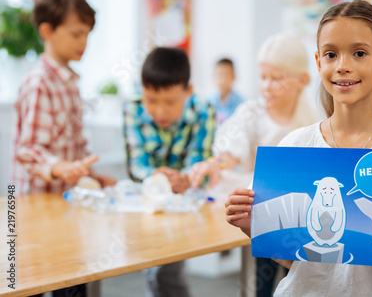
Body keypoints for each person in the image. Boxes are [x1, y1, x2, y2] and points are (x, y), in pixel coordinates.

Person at [225, 0, 372, 296]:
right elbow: (295, 261)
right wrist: (252, 226)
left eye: (359, 53)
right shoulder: (296, 147)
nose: (343, 66)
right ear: (319, 63)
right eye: (331, 54)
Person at [190, 34, 319, 296]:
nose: (267, 86)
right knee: (264, 274)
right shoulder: (252, 113)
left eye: (277, 79)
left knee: (299, 278)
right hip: (266, 213)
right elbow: (230, 152)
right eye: (263, 77)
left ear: (302, 80)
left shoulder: (315, 117)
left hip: (303, 216)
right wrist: (216, 164)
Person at [11, 0, 116, 297]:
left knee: (74, 281)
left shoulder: (69, 81)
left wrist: (89, 175)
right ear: (48, 31)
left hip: (68, 206)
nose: (83, 42)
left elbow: (68, 144)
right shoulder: (39, 83)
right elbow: (28, 151)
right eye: (76, 34)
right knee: (36, 282)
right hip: (39, 210)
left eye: (87, 34)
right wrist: (61, 168)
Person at [123, 47, 216, 297]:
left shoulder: (203, 111)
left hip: (187, 203)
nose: (159, 111)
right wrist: (157, 177)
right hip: (147, 202)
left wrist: (185, 178)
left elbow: (200, 160)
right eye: (151, 100)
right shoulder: (133, 108)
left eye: (170, 102)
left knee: (168, 273)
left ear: (188, 91)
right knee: (152, 269)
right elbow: (136, 164)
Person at [209, 58, 244, 125]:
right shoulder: (209, 102)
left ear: (234, 76)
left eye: (226, 75)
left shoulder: (241, 104)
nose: (223, 80)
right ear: (213, 77)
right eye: (219, 75)